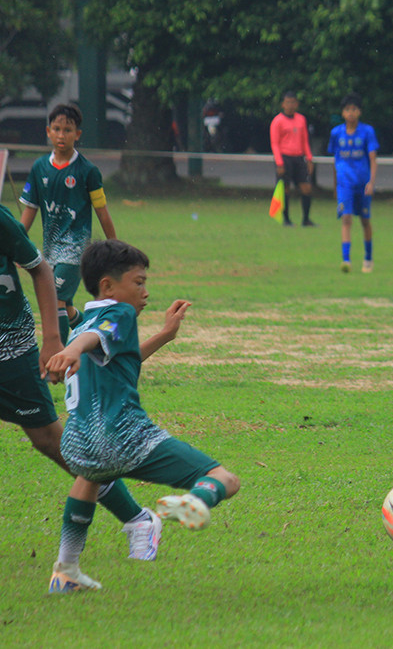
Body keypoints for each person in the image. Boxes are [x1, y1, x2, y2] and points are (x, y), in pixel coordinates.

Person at [45, 239, 240, 593]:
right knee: (225, 479)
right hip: (125, 435)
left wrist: (164, 335)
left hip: (79, 442)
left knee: (89, 478)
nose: (145, 292)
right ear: (108, 286)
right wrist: (72, 350)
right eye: (138, 282)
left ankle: (65, 570)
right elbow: (89, 341)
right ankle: (194, 501)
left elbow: (119, 358)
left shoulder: (85, 318)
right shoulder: (118, 314)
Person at [0, 205, 157, 563]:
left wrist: (54, 340)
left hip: (10, 348)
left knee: (50, 441)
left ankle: (136, 518)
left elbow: (39, 268)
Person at [19, 103, 117, 344]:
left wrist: (116, 248)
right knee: (67, 308)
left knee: (54, 299)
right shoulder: (39, 167)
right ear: (48, 131)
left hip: (75, 250)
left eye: (68, 130)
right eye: (57, 129)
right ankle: (95, 332)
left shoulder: (88, 171)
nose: (62, 135)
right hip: (51, 250)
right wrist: (16, 242)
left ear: (78, 134)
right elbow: (30, 210)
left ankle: (58, 354)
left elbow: (102, 213)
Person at [328, 94, 379, 273]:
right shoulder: (336, 133)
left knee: (365, 220)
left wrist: (371, 182)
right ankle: (346, 259)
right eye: (347, 109)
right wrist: (335, 185)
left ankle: (368, 258)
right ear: (342, 113)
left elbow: (373, 159)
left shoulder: (367, 132)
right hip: (344, 184)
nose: (351, 113)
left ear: (359, 112)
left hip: (362, 182)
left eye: (354, 109)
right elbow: (335, 160)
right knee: (346, 219)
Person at [270, 91, 315, 227]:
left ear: (296, 104)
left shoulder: (301, 119)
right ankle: (286, 219)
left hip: (299, 157)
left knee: (306, 187)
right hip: (285, 158)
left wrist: (309, 158)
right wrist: (279, 162)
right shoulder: (277, 121)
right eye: (287, 102)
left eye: (293, 102)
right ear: (283, 104)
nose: (290, 105)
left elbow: (305, 140)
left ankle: (306, 219)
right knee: (286, 189)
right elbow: (275, 143)